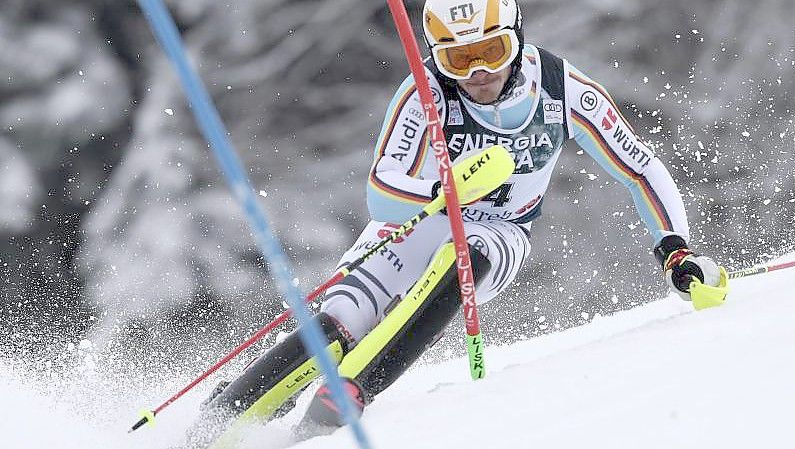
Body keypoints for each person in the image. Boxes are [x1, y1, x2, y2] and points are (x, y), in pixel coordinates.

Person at [188, 0, 728, 445]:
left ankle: (343, 402)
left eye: (491, 52)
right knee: (338, 324)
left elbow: (638, 167)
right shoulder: (424, 93)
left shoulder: (562, 90)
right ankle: (213, 427)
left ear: (515, 38)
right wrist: (445, 192)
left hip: (501, 232)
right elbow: (383, 197)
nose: (479, 74)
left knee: (467, 253)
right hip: (415, 223)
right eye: (458, 58)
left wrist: (675, 250)